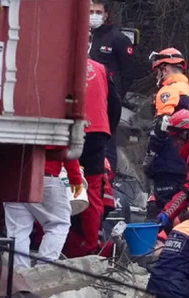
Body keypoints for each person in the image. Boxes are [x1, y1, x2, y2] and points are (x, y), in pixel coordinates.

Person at [64, 59, 122, 258]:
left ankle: (46, 240)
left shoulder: (60, 63)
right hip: (97, 133)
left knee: (57, 182)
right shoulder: (101, 69)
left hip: (67, 130)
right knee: (94, 191)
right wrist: (107, 132)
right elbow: (115, 104)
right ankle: (90, 246)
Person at [143, 48, 189, 219]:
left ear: (165, 69)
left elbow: (162, 124)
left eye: (158, 72)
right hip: (185, 163)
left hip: (168, 164)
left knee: (164, 212)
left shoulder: (170, 90)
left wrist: (150, 155)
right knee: (179, 211)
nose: (157, 77)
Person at [4, 147, 83, 271]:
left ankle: (19, 275)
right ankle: (43, 270)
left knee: (17, 231)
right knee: (58, 224)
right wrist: (75, 178)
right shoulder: (55, 127)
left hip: (14, 177)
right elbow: (67, 149)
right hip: (46, 177)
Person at [89, 0, 137, 170]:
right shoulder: (82, 35)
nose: (93, 16)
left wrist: (116, 96)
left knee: (107, 139)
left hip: (107, 100)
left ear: (105, 15)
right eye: (90, 11)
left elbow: (129, 71)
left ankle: (108, 179)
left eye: (97, 12)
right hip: (86, 99)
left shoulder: (116, 38)